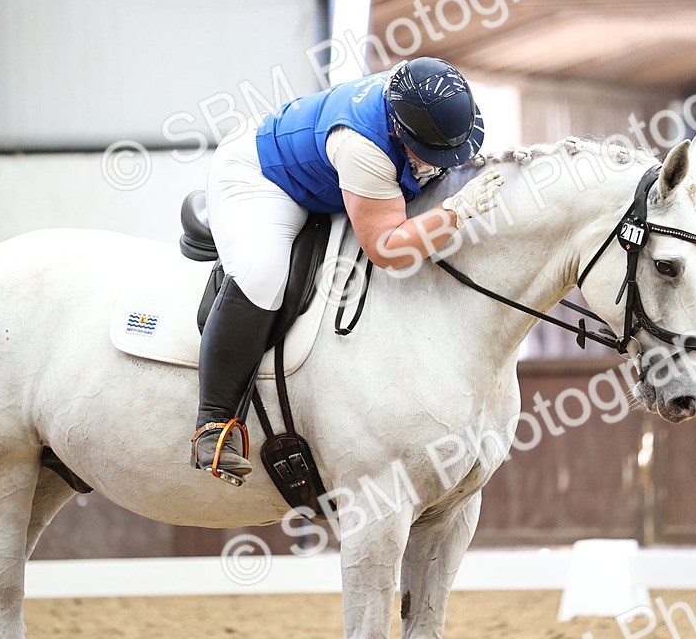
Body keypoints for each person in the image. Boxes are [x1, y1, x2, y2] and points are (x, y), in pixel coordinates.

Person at [192, 57, 505, 484]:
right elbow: (388, 249)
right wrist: (456, 211)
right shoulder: (363, 146)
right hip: (262, 176)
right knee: (263, 275)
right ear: (398, 128)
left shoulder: (427, 98)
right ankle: (214, 423)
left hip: (325, 169)